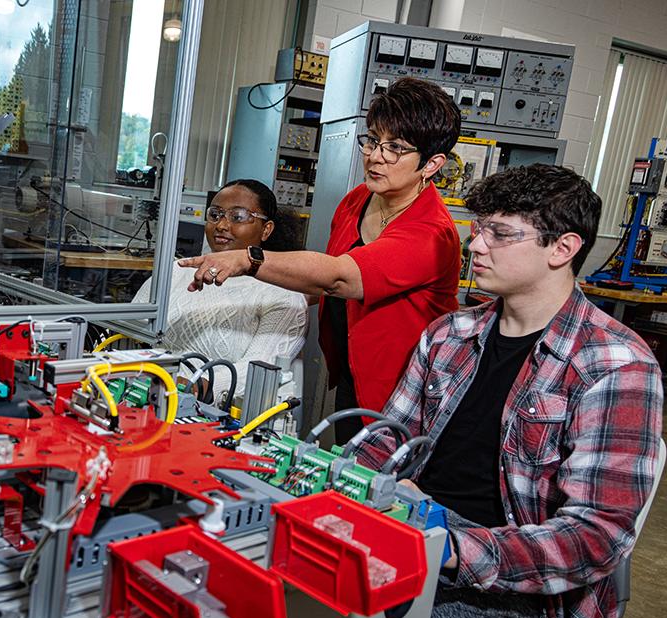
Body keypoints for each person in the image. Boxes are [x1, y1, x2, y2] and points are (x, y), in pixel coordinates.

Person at [351, 165, 663, 618]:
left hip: (518, 585)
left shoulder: (614, 364)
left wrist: (449, 548)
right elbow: (387, 443)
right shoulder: (449, 334)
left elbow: (596, 535)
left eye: (500, 234)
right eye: (478, 229)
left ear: (562, 248)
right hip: (415, 525)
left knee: (338, 614)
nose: (476, 245)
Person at [181, 77, 462, 443]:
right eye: (373, 140)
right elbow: (321, 283)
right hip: (352, 373)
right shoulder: (357, 200)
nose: (375, 156)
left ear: (432, 163)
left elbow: (338, 277)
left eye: (395, 148)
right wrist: (251, 300)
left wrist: (249, 260)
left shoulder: (431, 232)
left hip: (402, 389)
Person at [132, 178, 306, 403]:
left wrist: (196, 385)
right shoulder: (177, 271)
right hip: (150, 392)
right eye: (215, 215)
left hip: (218, 411)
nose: (222, 225)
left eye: (238, 217)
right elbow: (131, 328)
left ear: (266, 230)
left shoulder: (284, 295)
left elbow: (259, 369)